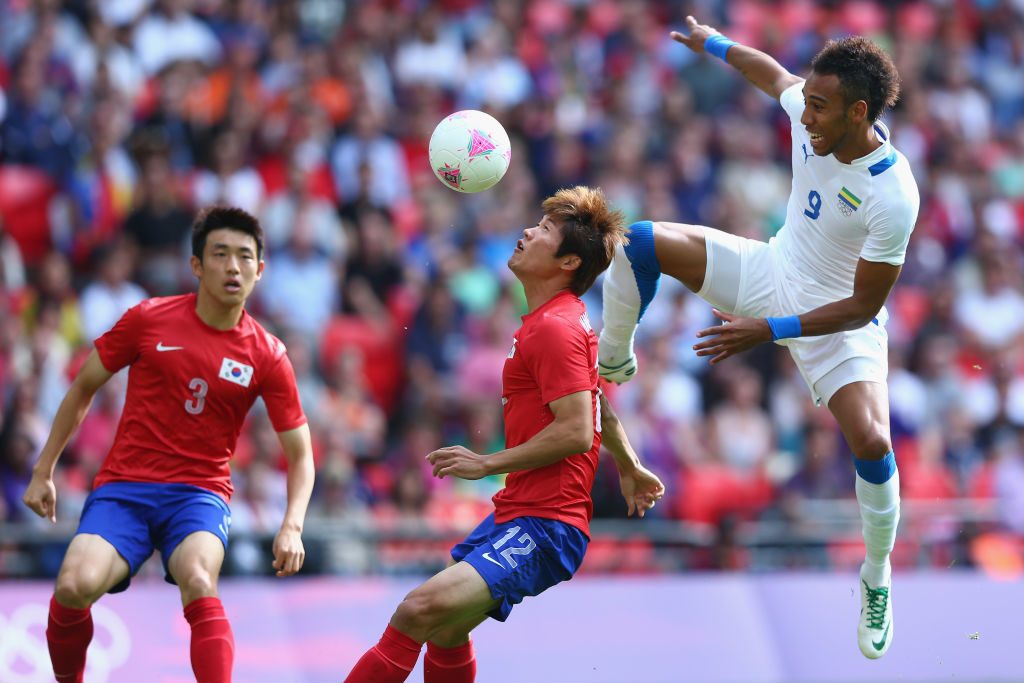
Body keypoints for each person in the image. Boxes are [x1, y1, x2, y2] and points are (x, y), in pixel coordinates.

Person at [598, 18, 919, 660]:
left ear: (859, 112)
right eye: (809, 102)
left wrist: (769, 331)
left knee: (874, 442)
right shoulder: (811, 109)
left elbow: (864, 306)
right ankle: (614, 355)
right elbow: (770, 72)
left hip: (838, 318)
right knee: (636, 242)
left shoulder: (893, 194)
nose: (805, 116)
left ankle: (876, 573)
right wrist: (712, 43)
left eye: (820, 108)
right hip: (772, 269)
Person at [342, 186, 666, 683]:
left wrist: (486, 463)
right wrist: (629, 463)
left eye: (545, 230)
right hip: (520, 512)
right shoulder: (557, 321)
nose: (528, 232)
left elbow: (577, 430)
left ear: (569, 261)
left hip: (547, 522)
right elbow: (595, 400)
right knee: (446, 631)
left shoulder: (556, 328)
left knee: (416, 610)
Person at [22, 207, 315, 682]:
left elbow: (301, 455)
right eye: (220, 254)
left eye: (245, 256)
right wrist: (44, 470)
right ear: (196, 265)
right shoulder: (147, 319)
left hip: (199, 495)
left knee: (199, 578)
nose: (233, 267)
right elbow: (83, 387)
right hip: (125, 489)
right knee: (74, 584)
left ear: (260, 270)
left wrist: (292, 526)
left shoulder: (268, 354)